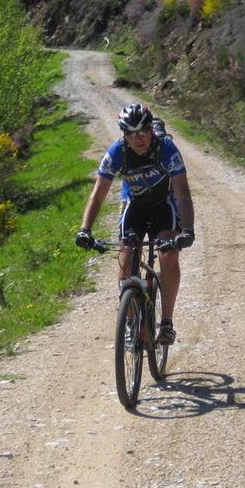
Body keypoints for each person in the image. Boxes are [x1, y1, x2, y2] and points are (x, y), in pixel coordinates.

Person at [75, 103, 195, 345]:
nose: (138, 139)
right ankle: (130, 322)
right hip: (135, 205)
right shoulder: (117, 152)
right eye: (131, 134)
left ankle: (167, 323)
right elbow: (98, 195)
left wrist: (188, 230)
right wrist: (85, 229)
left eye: (143, 132)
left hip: (164, 205)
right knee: (126, 252)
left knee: (168, 253)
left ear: (151, 130)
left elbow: (182, 193)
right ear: (124, 135)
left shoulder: (166, 149)